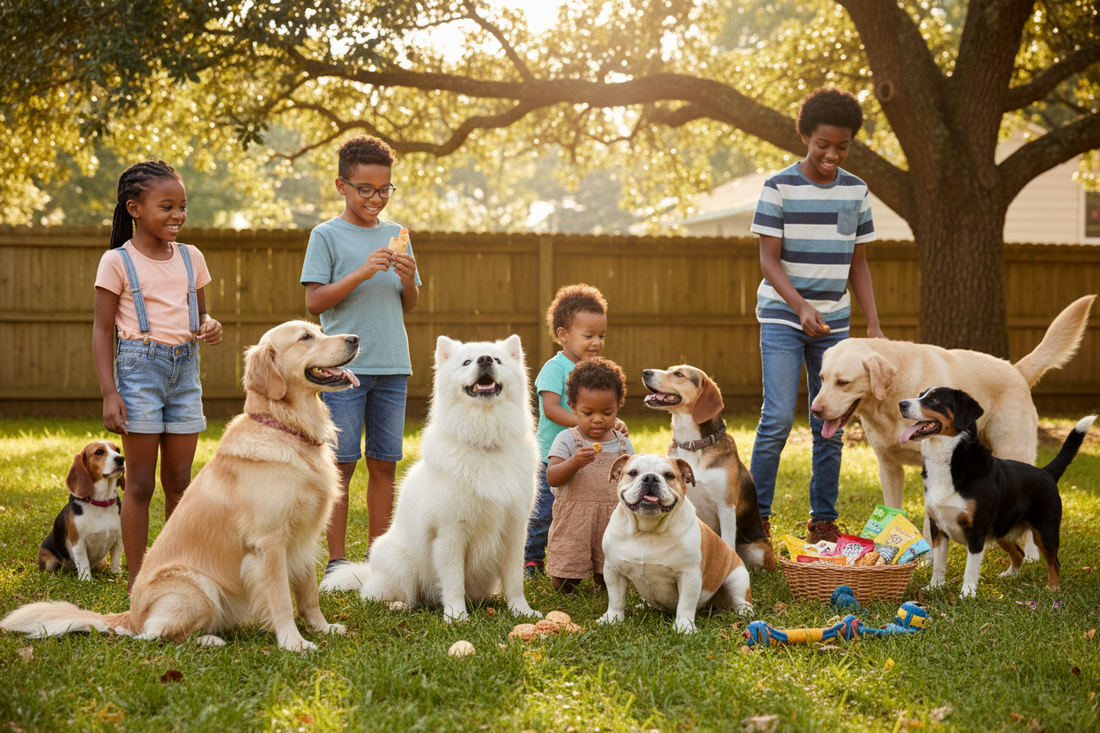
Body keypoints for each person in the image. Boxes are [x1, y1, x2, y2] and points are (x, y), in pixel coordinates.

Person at [748, 87, 884, 544]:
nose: (832, 154)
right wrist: (800, 306)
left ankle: (823, 519)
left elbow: (858, 264)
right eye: (823, 144)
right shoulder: (779, 187)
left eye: (842, 146)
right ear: (805, 136)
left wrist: (873, 324)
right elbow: (769, 260)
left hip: (835, 325)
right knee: (777, 419)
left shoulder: (856, 191)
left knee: (831, 423)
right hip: (783, 318)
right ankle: (756, 521)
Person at [92, 160, 223, 592]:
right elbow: (102, 330)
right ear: (135, 209)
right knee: (140, 483)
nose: (178, 215)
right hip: (139, 375)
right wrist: (110, 393)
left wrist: (209, 326)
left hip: (185, 374)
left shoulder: (191, 257)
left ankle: (175, 575)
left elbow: (200, 315)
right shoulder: (116, 261)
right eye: (167, 207)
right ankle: (138, 582)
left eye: (182, 206)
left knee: (180, 483)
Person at [300, 135, 420, 576]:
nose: (376, 198)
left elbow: (409, 304)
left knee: (385, 464)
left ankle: (380, 560)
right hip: (342, 370)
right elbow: (315, 302)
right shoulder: (325, 235)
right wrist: (363, 271)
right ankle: (337, 562)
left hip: (392, 365)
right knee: (342, 463)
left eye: (385, 190)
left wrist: (407, 278)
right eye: (365, 189)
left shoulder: (398, 235)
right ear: (342, 185)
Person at [524, 283, 620, 576]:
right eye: (588, 336)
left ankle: (582, 556)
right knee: (544, 512)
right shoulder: (555, 368)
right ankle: (531, 558)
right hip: (551, 456)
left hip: (586, 458)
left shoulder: (595, 372)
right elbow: (551, 409)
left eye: (601, 336)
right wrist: (583, 423)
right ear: (563, 334)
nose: (596, 343)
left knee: (579, 509)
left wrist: (611, 424)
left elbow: (603, 409)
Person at [545, 357, 634, 592]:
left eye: (607, 412)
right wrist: (574, 462)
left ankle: (602, 580)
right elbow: (552, 477)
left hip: (611, 518)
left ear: (618, 406)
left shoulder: (623, 443)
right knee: (563, 582)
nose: (597, 419)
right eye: (587, 412)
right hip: (575, 520)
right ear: (573, 407)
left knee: (608, 577)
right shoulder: (567, 439)